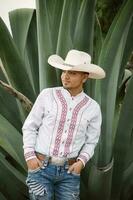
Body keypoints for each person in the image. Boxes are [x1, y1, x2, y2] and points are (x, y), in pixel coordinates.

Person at [22, 49, 105, 200]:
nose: (65, 76)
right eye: (64, 71)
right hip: (40, 167)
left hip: (70, 173)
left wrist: (81, 162)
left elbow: (92, 140)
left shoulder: (93, 108)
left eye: (72, 73)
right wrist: (29, 157)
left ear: (85, 77)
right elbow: (30, 126)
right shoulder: (47, 95)